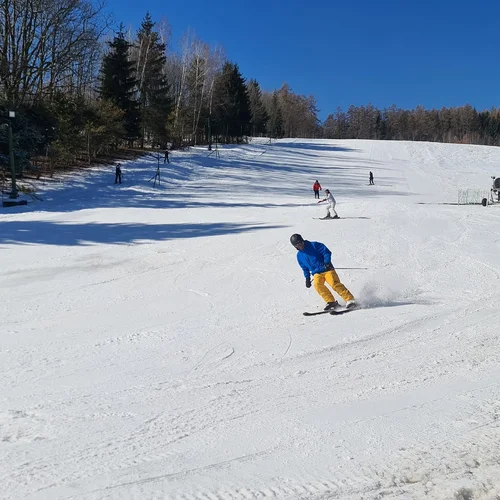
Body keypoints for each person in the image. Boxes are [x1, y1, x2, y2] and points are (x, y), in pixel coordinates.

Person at [290, 233, 356, 310]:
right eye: (297, 245)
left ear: (302, 241)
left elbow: (326, 252)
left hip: (327, 269)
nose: (299, 245)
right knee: (317, 285)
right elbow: (304, 268)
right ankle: (331, 302)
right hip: (317, 273)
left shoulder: (314, 245)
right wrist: (307, 278)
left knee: (334, 283)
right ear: (295, 247)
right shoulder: (299, 256)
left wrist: (327, 262)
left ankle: (350, 299)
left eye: (300, 243)